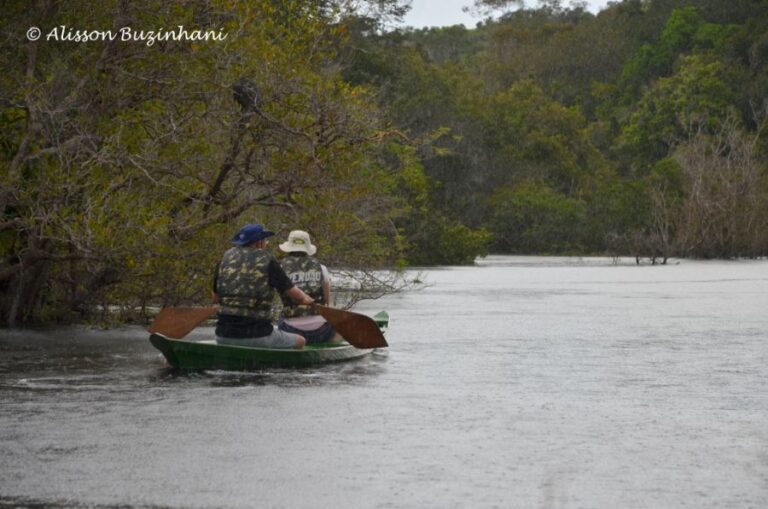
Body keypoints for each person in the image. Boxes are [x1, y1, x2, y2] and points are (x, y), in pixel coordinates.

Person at [212, 224, 314, 349]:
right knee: (301, 341)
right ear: (259, 242)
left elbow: (215, 298)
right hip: (258, 336)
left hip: (222, 336)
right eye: (265, 240)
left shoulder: (224, 259)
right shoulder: (267, 260)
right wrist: (307, 299)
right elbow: (297, 296)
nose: (266, 243)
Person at [277, 230, 340, 344]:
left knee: (279, 319)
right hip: (320, 331)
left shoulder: (279, 268)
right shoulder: (321, 268)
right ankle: (331, 345)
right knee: (337, 326)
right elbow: (327, 302)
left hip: (291, 331)